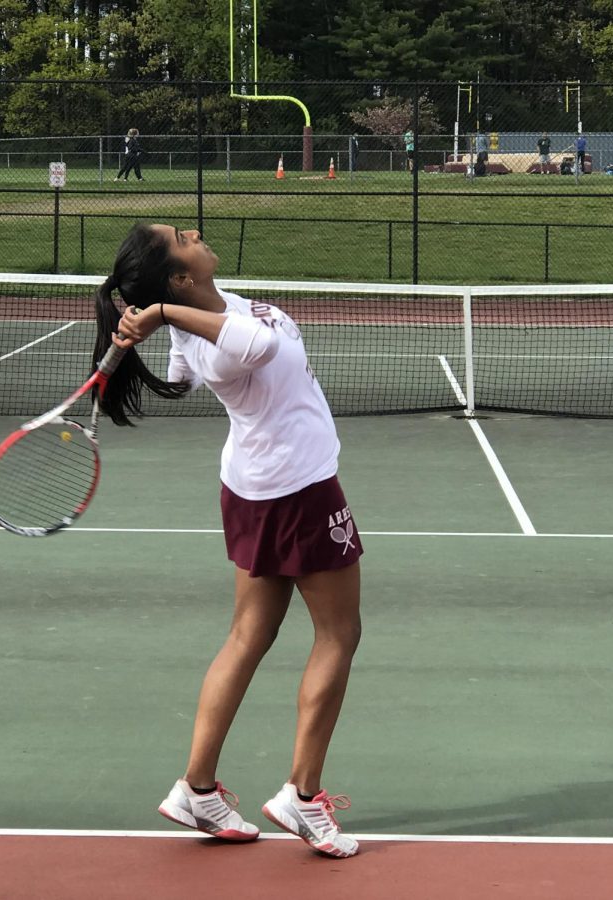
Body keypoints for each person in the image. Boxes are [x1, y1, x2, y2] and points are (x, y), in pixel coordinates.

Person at [93, 222, 363, 858]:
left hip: (251, 486)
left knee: (249, 635)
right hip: (298, 491)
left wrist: (151, 329)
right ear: (181, 277)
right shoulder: (228, 340)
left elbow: (183, 376)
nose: (196, 233)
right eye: (184, 237)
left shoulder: (201, 323)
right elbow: (256, 348)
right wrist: (158, 313)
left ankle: (196, 789)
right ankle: (302, 797)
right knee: (338, 635)